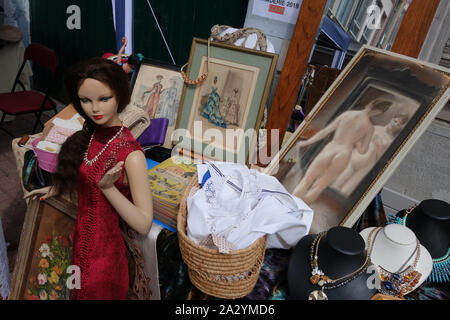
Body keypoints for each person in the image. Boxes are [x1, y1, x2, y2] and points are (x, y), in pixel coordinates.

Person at [25, 58, 153, 300]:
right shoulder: (91, 136)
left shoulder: (131, 155)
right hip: (81, 249)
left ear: (120, 97)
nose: (95, 108)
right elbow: (86, 181)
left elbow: (144, 223)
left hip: (105, 263)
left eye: (104, 99)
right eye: (86, 100)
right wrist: (55, 192)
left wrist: (109, 188)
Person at [293, 99, 392, 204]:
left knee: (307, 179)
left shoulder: (347, 114)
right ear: (379, 112)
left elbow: (325, 132)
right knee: (320, 185)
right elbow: (362, 151)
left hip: (332, 147)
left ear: (369, 104)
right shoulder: (369, 128)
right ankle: (299, 211)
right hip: (345, 152)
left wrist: (305, 143)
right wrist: (357, 142)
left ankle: (288, 206)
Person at [332, 113, 409, 195]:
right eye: (395, 121)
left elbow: (382, 160)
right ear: (392, 119)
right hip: (355, 158)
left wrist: (379, 148)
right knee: (337, 183)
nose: (395, 124)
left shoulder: (390, 141)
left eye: (398, 124)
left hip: (366, 166)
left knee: (346, 191)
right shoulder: (375, 128)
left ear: (400, 127)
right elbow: (357, 141)